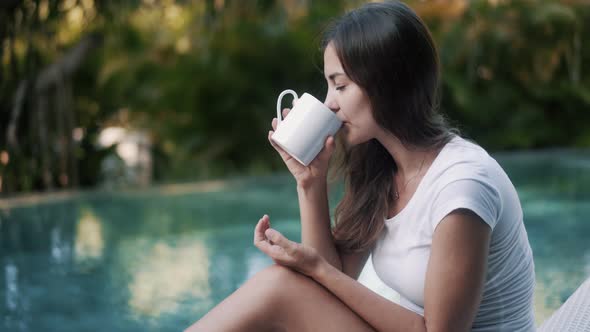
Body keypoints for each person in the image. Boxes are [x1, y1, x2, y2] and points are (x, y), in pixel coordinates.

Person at [186, 1, 535, 331]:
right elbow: (333, 279)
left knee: (278, 288)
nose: (329, 104)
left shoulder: (462, 184)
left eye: (340, 85)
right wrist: (310, 182)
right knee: (282, 286)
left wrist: (318, 269)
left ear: (388, 83)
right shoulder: (382, 167)